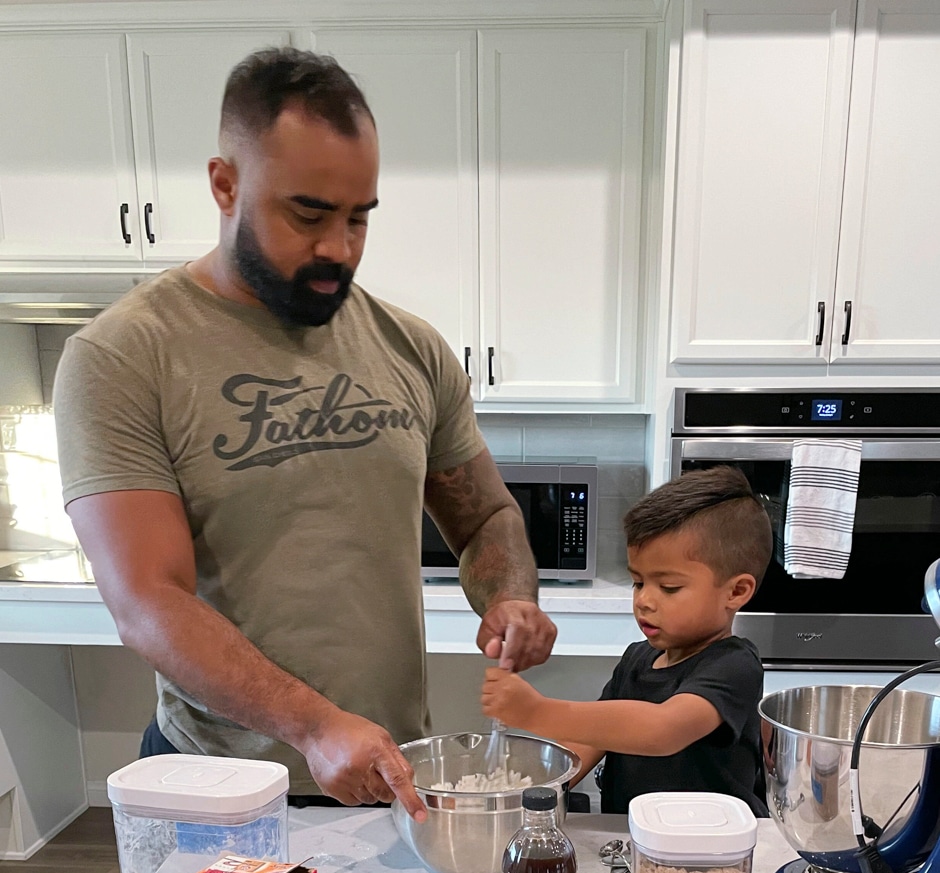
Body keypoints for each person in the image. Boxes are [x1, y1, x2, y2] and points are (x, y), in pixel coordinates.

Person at [52, 47, 557, 821]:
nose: (339, 248)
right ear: (225, 184)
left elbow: (485, 516)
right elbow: (147, 600)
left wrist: (511, 598)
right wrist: (313, 725)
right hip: (220, 793)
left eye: (359, 218)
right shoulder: (124, 356)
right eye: (308, 214)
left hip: (382, 774)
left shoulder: (409, 346)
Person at [482, 465, 772, 816]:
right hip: (633, 841)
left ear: (736, 591)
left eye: (668, 587)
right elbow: (592, 740)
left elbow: (662, 729)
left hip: (710, 849)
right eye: (638, 582)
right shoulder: (637, 658)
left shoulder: (734, 665)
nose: (644, 600)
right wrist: (536, 793)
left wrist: (536, 711)